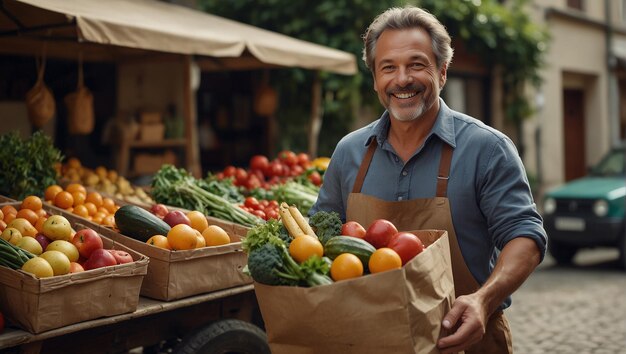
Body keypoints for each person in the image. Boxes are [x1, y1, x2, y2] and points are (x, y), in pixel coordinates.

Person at [309, 5, 547, 354]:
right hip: (367, 339)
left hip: (464, 339)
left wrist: (483, 299)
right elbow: (319, 234)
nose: (402, 79)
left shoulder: (487, 148)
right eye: (388, 67)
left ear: (443, 72)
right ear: (375, 79)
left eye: (417, 64)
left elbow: (525, 236)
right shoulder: (349, 152)